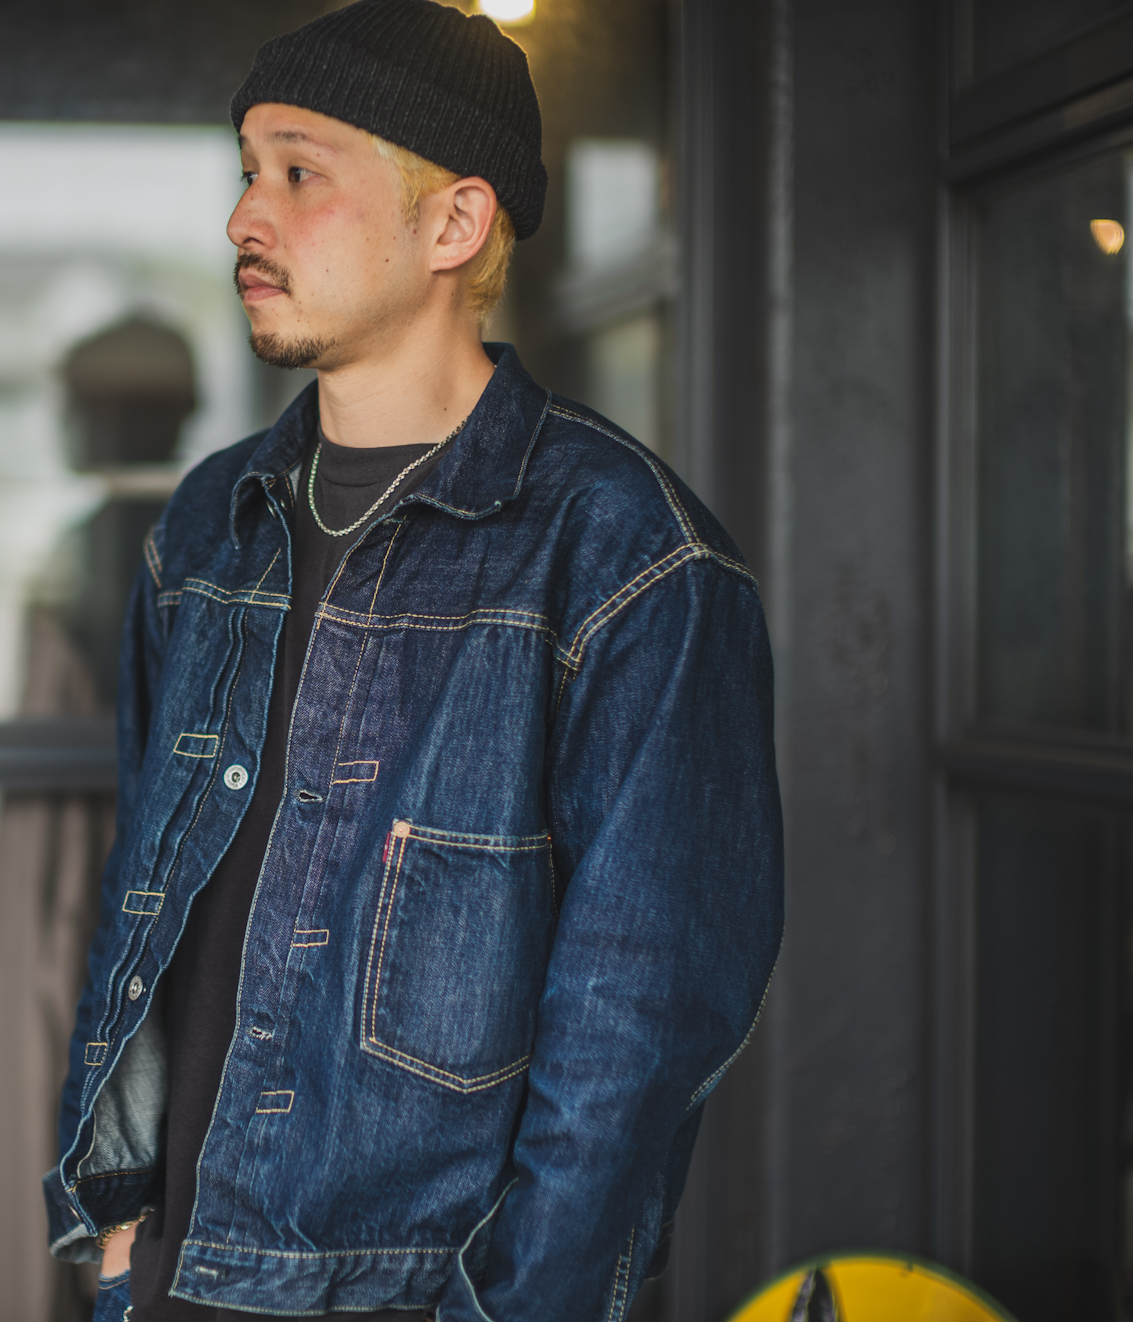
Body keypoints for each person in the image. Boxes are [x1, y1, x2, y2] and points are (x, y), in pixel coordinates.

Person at [44, 3, 784, 1318]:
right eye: (246, 172)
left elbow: (635, 1035)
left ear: (453, 225)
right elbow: (145, 894)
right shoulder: (209, 525)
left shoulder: (631, 562)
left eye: (300, 174)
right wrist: (118, 1229)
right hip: (167, 1280)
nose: (244, 218)